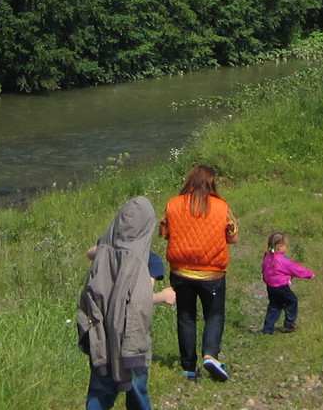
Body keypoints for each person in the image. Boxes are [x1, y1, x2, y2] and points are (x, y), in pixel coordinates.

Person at [78, 197, 162, 410]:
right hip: (130, 339)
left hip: (100, 333)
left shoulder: (104, 250)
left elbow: (90, 258)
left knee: (100, 389)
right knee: (136, 387)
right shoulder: (146, 261)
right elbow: (142, 300)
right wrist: (165, 296)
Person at [160, 164, 236, 382]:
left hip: (181, 271)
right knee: (214, 315)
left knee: (185, 316)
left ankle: (188, 368)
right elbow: (233, 237)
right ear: (212, 182)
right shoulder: (221, 206)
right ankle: (210, 355)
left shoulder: (173, 204)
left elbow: (164, 232)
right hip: (212, 273)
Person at [259, 232, 314, 334]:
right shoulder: (281, 260)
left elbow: (264, 271)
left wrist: (266, 281)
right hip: (281, 286)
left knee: (274, 306)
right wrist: (309, 274)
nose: (286, 248)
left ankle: (268, 329)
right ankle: (289, 324)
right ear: (279, 246)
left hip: (271, 286)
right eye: (286, 246)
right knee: (292, 301)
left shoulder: (267, 257)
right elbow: (295, 269)